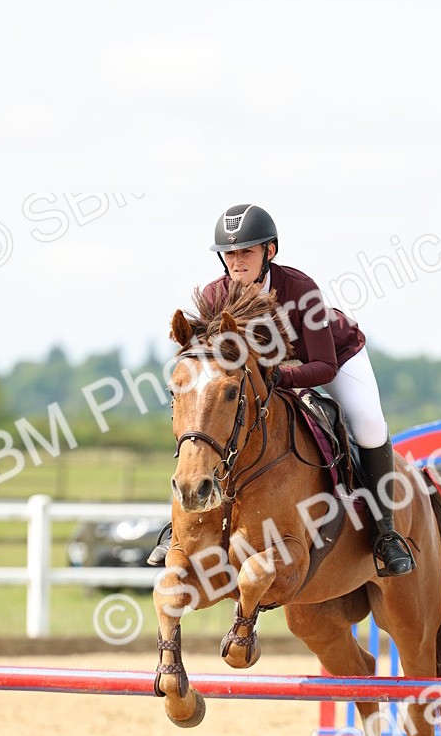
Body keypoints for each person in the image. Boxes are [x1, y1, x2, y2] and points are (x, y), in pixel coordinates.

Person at [149, 203, 415, 576]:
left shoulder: (300, 289)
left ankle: (385, 532)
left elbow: (324, 366)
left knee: (369, 423)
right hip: (264, 374)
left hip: (331, 357)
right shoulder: (215, 296)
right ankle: (179, 525)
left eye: (247, 251)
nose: (237, 261)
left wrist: (278, 378)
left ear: (269, 252)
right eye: (230, 253)